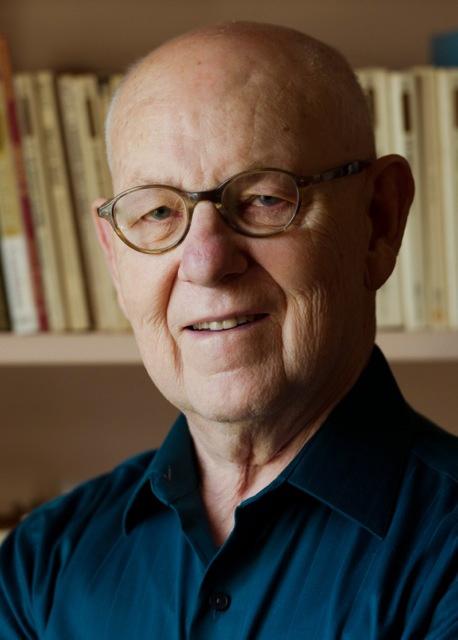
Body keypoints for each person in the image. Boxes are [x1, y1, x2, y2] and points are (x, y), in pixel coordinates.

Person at [1, 21, 457, 639]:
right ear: (114, 256)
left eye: (266, 198)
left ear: (379, 221)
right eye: (159, 212)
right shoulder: (37, 569)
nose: (207, 262)